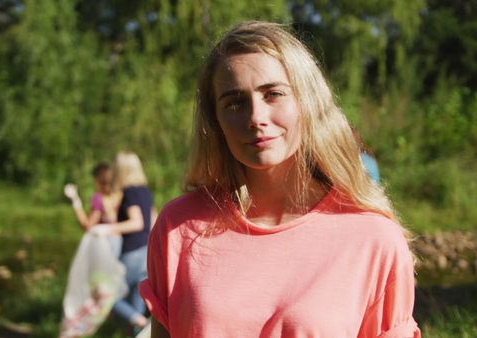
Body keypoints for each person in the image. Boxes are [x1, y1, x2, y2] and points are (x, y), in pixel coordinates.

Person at [139, 21, 420, 338]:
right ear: (215, 121)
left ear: (308, 102)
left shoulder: (372, 238)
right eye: (234, 103)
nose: (255, 118)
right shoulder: (179, 226)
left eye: (273, 94)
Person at [92, 151, 157, 333]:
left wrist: (106, 228)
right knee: (136, 307)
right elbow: (154, 221)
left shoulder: (129, 192)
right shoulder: (145, 192)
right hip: (146, 253)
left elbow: (137, 222)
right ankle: (140, 322)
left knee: (106, 295)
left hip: (132, 253)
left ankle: (141, 321)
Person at [64, 162, 123, 256]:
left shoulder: (99, 198)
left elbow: (88, 225)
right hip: (120, 241)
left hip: (104, 242)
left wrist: (75, 199)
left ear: (97, 180)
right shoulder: (121, 195)